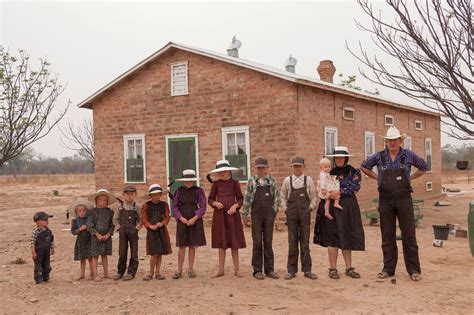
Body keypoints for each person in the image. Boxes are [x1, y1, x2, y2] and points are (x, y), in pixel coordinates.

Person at [361, 126, 427, 282]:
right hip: (385, 199)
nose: (392, 142)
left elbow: (423, 167)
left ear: (400, 141)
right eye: (389, 140)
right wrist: (378, 178)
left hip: (404, 198)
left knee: (409, 235)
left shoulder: (408, 155)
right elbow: (364, 166)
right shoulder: (378, 156)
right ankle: (388, 269)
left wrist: (411, 177)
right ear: (385, 141)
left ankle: (414, 270)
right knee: (387, 235)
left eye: (395, 140)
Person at [314, 146, 365, 280]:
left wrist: (340, 192)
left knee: (347, 235)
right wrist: (328, 194)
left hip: (348, 208)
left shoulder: (354, 172)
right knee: (332, 237)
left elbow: (355, 187)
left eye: (341, 157)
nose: (339, 159)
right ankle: (333, 268)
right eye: (337, 157)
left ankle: (349, 268)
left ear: (346, 158)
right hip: (331, 207)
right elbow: (322, 187)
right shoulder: (328, 172)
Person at [280, 156, 318, 280]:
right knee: (292, 242)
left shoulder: (308, 180)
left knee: (305, 242)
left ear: (303, 167)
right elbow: (282, 197)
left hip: (305, 213)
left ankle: (307, 270)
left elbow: (314, 197)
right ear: (291, 167)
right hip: (291, 214)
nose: (297, 168)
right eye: (295, 166)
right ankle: (291, 270)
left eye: (299, 166)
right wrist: (285, 209)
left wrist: (310, 208)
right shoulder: (287, 180)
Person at [242, 157, 280, 280]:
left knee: (268, 242)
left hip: (269, 215)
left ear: (267, 168)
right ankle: (257, 270)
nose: (261, 170)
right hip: (256, 215)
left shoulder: (272, 181)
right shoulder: (252, 181)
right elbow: (247, 199)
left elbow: (276, 198)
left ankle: (270, 270)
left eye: (263, 168)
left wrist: (274, 211)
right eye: (258, 168)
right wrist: (245, 214)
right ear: (255, 168)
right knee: (257, 242)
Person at [208, 159, 246, 278]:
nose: (222, 174)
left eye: (224, 171)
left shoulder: (235, 183)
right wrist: (215, 203)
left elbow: (240, 198)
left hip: (232, 215)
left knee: (234, 242)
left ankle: (236, 270)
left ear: (229, 171)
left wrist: (235, 206)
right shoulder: (216, 184)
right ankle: (221, 270)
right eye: (220, 172)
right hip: (220, 215)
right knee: (221, 242)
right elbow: (210, 199)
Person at [171, 169, 207, 279]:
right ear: (183, 181)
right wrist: (180, 218)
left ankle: (191, 269)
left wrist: (195, 218)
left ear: (194, 181)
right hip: (182, 219)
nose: (188, 182)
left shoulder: (198, 191)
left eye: (191, 180)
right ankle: (179, 269)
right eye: (186, 180)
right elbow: (175, 206)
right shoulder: (178, 191)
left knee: (192, 245)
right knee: (182, 245)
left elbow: (203, 206)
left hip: (194, 219)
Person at [141, 184, 172, 281]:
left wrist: (162, 223)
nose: (156, 196)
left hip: (161, 231)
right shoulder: (146, 206)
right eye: (154, 195)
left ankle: (158, 272)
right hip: (152, 232)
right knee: (154, 253)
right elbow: (143, 218)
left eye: (158, 194)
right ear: (150, 196)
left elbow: (167, 217)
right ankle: (151, 272)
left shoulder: (164, 205)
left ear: (160, 195)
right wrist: (150, 226)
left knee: (160, 252)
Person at [113, 185, 142, 281]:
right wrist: (119, 228)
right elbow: (115, 219)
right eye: (127, 194)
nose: (129, 196)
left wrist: (137, 228)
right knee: (122, 252)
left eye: (132, 194)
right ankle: (120, 272)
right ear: (123, 195)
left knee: (134, 253)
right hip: (123, 232)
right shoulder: (120, 207)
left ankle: (131, 272)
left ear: (135, 195)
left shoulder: (137, 207)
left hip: (133, 233)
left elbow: (141, 220)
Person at [87, 189, 116, 281]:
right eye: (100, 200)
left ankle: (106, 273)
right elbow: (90, 225)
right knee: (95, 255)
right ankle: (95, 274)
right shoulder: (92, 212)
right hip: (95, 237)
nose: (102, 202)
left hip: (106, 236)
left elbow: (112, 224)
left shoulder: (110, 212)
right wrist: (97, 234)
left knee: (104, 255)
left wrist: (108, 234)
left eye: (105, 200)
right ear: (96, 200)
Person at [69, 200, 94, 281]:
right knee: (82, 258)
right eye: (79, 211)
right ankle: (82, 274)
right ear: (76, 213)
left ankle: (92, 273)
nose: (82, 212)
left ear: (86, 211)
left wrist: (88, 227)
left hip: (89, 240)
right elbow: (73, 231)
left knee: (90, 258)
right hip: (80, 241)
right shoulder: (75, 221)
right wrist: (79, 229)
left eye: (83, 210)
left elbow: (93, 227)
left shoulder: (89, 219)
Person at [31, 211, 55, 284]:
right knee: (38, 265)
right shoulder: (35, 231)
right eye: (44, 220)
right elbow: (33, 242)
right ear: (37, 222)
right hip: (38, 251)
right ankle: (38, 279)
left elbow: (51, 240)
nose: (47, 221)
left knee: (46, 264)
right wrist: (33, 252)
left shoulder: (48, 230)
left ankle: (46, 277)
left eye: (47, 220)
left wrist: (52, 248)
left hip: (46, 250)